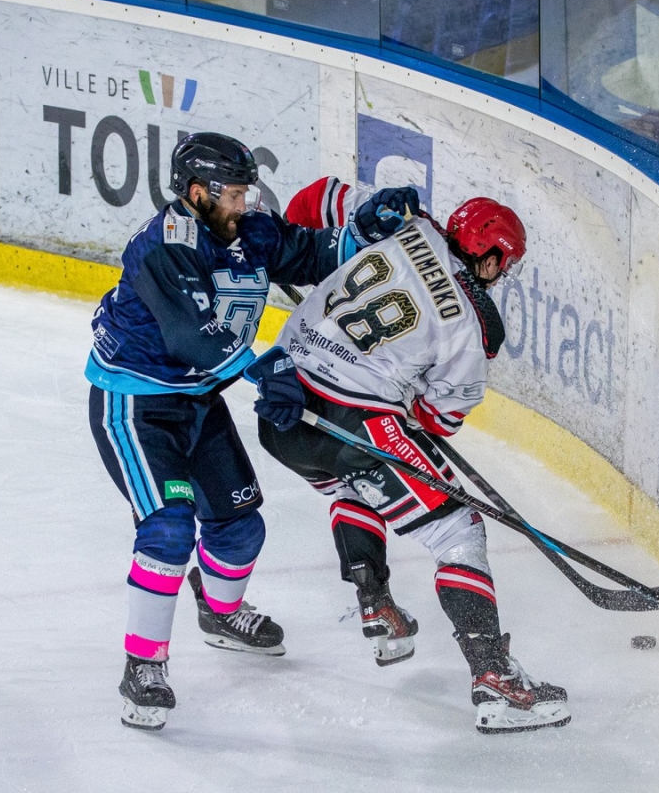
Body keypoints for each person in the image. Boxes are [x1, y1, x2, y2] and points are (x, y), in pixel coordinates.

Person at [85, 133, 419, 731]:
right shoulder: (163, 246)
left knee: (240, 528)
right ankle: (144, 666)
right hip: (135, 404)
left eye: (246, 191)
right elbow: (195, 338)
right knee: (168, 527)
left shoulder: (249, 229)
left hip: (198, 402)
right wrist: (269, 368)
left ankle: (219, 614)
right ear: (196, 194)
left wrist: (366, 228)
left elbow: (313, 253)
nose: (246, 203)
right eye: (234, 194)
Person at [258, 179, 571, 733]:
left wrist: (295, 256)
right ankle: (495, 679)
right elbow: (436, 421)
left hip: (281, 409)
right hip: (355, 422)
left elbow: (321, 196)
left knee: (350, 484)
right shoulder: (471, 334)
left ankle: (376, 603)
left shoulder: (407, 221)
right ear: (492, 257)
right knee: (457, 530)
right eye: (506, 263)